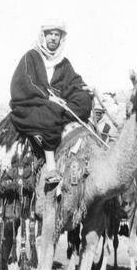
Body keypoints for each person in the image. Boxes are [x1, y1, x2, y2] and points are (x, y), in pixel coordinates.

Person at [9, 21, 92, 184]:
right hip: (32, 104)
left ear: (61, 38)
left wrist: (84, 88)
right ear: (44, 36)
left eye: (57, 35)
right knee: (51, 111)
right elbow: (25, 82)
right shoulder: (31, 57)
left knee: (83, 100)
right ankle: (51, 165)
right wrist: (47, 97)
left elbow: (73, 81)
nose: (53, 38)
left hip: (57, 104)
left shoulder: (63, 62)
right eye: (50, 34)